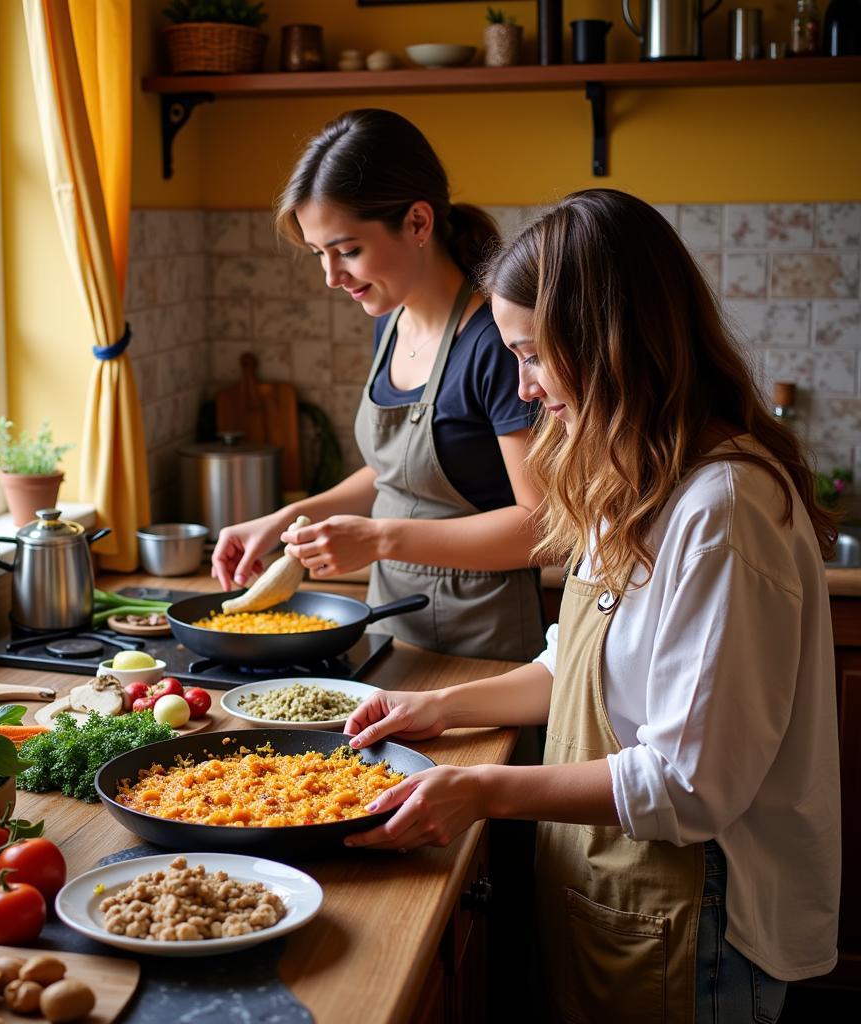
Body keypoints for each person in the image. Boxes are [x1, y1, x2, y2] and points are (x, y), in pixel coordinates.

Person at [342, 189, 841, 1022]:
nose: (525, 388)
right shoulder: (627, 475)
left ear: (611, 341)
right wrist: (438, 708)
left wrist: (486, 790)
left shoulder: (722, 510)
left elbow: (691, 786)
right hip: (612, 896)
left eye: (534, 356)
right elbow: (573, 665)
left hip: (699, 920)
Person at [211, 108, 545, 661]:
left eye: (347, 250)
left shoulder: (495, 343)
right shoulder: (390, 324)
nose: (331, 277)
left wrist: (380, 538)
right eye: (320, 254)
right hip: (393, 628)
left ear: (418, 222)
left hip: (484, 645)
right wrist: (287, 521)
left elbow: (538, 528)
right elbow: (398, 470)